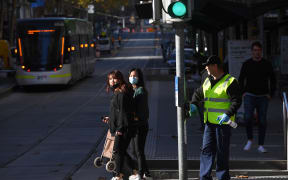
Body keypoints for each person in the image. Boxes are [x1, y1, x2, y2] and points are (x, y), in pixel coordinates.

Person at [189, 55, 242, 180]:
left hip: (223, 124)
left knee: (221, 153)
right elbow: (198, 93)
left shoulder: (230, 81)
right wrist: (193, 104)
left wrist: (227, 114)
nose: (206, 68)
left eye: (208, 65)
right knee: (206, 150)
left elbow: (236, 101)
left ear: (215, 66)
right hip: (209, 123)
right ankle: (204, 177)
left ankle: (222, 177)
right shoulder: (207, 80)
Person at [239, 41, 276, 153]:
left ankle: (261, 144)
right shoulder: (247, 64)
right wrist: (243, 92)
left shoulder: (267, 64)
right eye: (255, 50)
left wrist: (271, 93)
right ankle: (249, 140)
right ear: (252, 52)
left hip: (263, 96)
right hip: (249, 95)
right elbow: (241, 79)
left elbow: (273, 79)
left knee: (262, 121)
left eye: (259, 50)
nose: (257, 52)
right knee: (248, 117)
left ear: (261, 51)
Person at [104, 70, 136, 180]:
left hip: (123, 128)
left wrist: (120, 128)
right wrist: (110, 119)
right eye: (110, 79)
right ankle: (133, 173)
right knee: (121, 151)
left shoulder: (121, 94)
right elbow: (117, 112)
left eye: (114, 78)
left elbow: (123, 112)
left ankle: (118, 175)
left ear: (120, 79)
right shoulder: (117, 92)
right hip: (121, 126)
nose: (112, 81)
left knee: (118, 151)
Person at [128, 68, 152, 180]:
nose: (132, 78)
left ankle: (141, 174)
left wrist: (135, 118)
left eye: (135, 76)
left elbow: (142, 111)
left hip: (140, 126)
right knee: (136, 151)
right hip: (135, 126)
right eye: (131, 75)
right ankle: (146, 173)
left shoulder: (141, 91)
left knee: (138, 151)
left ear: (139, 77)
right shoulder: (131, 90)